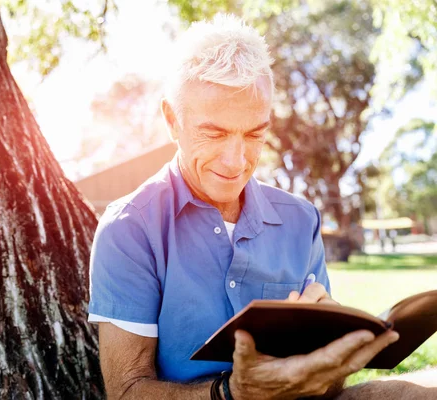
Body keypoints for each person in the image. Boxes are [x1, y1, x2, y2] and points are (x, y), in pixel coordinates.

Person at [87, 14, 401, 399]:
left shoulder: (301, 220)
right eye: (214, 133)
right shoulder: (129, 229)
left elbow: (331, 387)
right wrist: (231, 393)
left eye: (255, 134)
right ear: (172, 120)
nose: (236, 162)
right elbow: (126, 391)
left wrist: (329, 352)